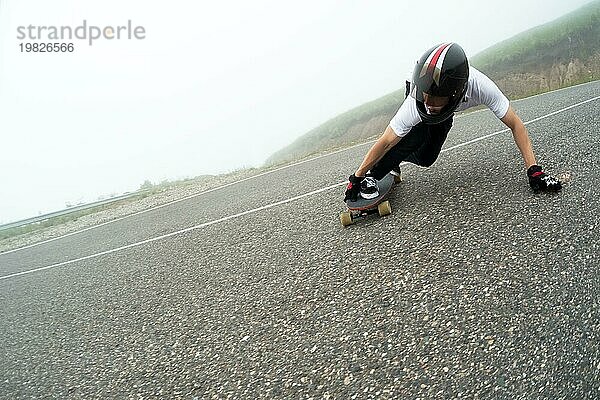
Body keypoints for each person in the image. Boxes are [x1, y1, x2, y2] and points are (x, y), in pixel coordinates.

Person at [344, 42, 562, 202]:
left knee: (427, 158)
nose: (427, 105)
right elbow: (386, 140)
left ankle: (395, 160)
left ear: (455, 95)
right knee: (415, 134)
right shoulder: (417, 99)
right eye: (425, 99)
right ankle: (376, 173)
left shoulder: (481, 87)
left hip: (446, 111)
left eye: (434, 102)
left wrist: (535, 171)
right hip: (417, 92)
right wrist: (358, 176)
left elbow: (516, 124)